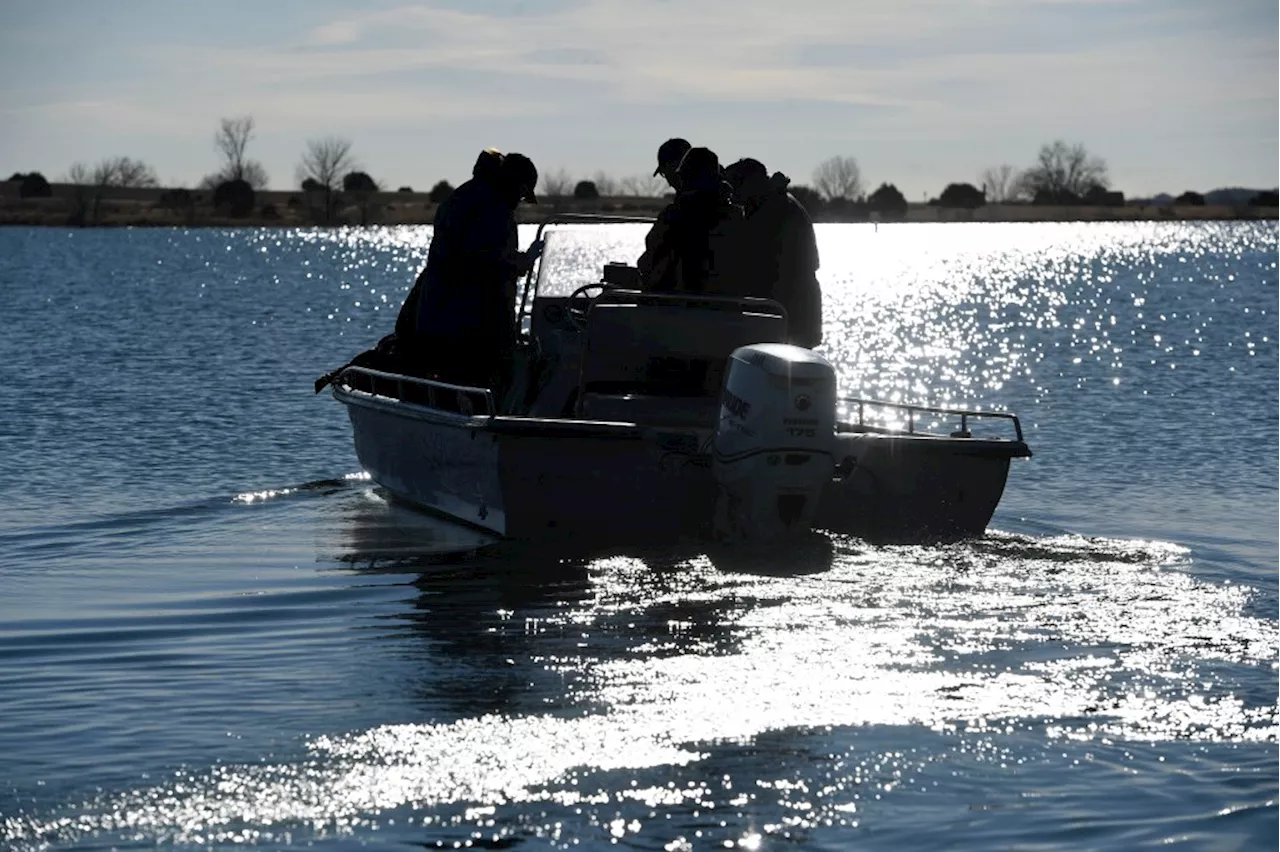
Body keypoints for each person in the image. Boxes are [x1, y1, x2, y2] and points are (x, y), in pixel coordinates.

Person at [393, 148, 542, 392]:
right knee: (473, 389)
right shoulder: (492, 207)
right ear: (516, 185)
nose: (520, 201)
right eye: (523, 194)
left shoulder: (461, 197)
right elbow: (484, 262)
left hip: (437, 317)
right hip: (467, 328)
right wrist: (524, 262)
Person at [722, 157, 822, 347]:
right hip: (797, 310)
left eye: (734, 187)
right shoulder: (779, 202)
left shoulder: (772, 211)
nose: (732, 196)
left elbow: (749, 258)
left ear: (750, 184)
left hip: (787, 314)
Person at [637, 146, 742, 293]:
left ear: (685, 178)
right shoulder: (737, 216)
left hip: (677, 305)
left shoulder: (672, 216)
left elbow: (648, 263)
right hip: (728, 306)